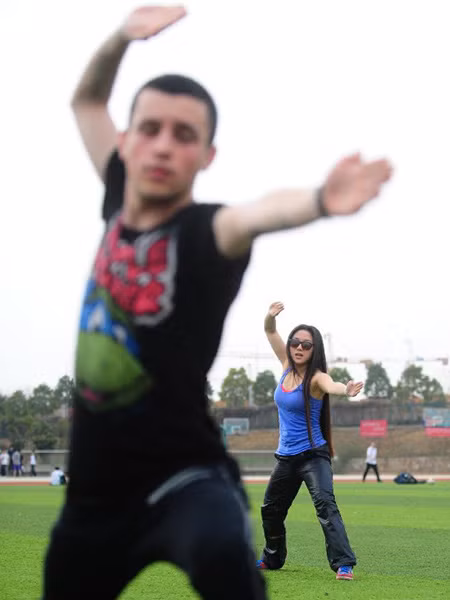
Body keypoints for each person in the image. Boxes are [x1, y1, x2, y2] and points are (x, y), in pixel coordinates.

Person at [42, 5, 392, 600]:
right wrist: (121, 37)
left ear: (207, 155)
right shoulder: (116, 200)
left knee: (225, 558)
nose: (163, 145)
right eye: (149, 128)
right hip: (96, 496)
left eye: (185, 135)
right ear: (126, 141)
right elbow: (86, 101)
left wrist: (317, 200)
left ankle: (318, 560)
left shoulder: (208, 232)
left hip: (187, 478)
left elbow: (256, 213)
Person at [257, 302, 362, 581]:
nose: (299, 348)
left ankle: (344, 563)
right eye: (295, 342)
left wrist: (346, 389)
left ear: (314, 350)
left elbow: (332, 385)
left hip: (313, 455)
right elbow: (270, 332)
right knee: (270, 509)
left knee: (325, 506)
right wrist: (270, 316)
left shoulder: (316, 378)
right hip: (286, 457)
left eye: (306, 344)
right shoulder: (285, 366)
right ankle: (272, 557)